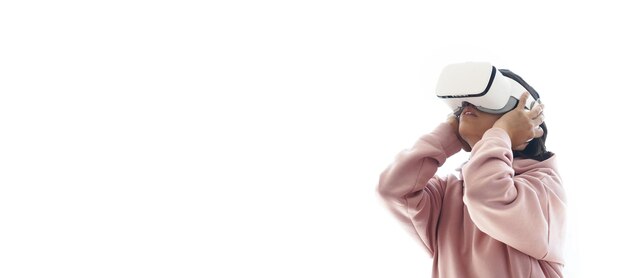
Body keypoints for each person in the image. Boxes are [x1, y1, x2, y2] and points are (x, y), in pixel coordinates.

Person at [377, 63, 566, 277]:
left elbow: (486, 195)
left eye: (486, 101)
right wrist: (447, 136)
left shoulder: (543, 185)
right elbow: (392, 189)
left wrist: (502, 132)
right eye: (465, 103)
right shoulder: (449, 192)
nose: (469, 105)